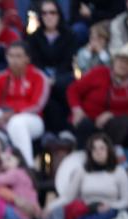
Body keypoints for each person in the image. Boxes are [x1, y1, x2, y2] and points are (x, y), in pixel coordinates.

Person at [0, 42, 50, 167]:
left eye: (18, 56)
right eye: (11, 56)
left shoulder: (38, 76)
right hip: (3, 120)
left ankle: (27, 169)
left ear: (27, 58)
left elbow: (37, 105)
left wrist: (13, 114)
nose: (14, 60)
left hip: (32, 120)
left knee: (17, 123)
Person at [67, 44, 128, 149]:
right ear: (114, 61)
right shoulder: (99, 72)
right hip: (87, 120)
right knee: (84, 125)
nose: (123, 65)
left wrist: (112, 114)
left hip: (114, 127)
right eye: (121, 60)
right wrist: (77, 109)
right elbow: (74, 90)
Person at [27, 0, 77, 133]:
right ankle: (50, 133)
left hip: (62, 75)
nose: (48, 16)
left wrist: (55, 78)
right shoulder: (33, 37)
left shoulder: (69, 35)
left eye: (52, 12)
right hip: (40, 76)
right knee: (46, 95)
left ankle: (66, 131)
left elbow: (68, 61)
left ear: (59, 14)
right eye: (44, 13)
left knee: (64, 86)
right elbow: (34, 61)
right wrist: (45, 78)